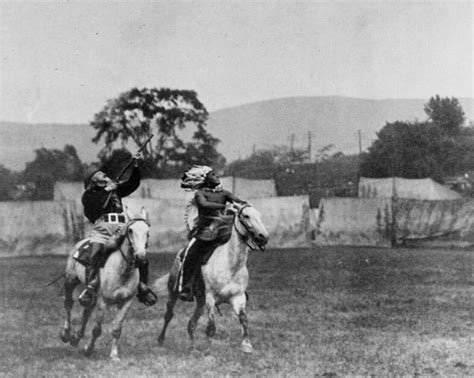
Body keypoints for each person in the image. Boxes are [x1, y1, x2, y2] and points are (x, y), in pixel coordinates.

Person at [77, 153, 157, 307]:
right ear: (93, 180)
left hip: (121, 227)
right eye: (100, 173)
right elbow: (94, 207)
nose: (104, 174)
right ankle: (90, 288)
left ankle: (142, 287)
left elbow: (132, 184)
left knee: (139, 253)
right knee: (94, 256)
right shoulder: (89, 195)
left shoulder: (116, 190)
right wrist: (107, 190)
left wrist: (135, 166)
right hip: (102, 230)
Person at [178, 165, 247, 301]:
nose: (217, 177)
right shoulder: (200, 194)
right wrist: (225, 206)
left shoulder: (225, 193)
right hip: (205, 234)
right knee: (189, 256)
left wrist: (243, 205)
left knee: (235, 258)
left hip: (223, 233)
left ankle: (239, 288)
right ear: (205, 179)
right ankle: (187, 288)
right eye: (213, 175)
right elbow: (204, 205)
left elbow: (238, 201)